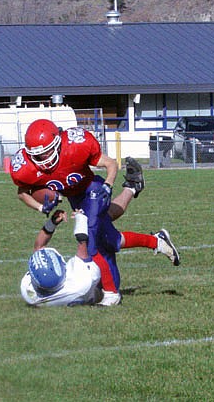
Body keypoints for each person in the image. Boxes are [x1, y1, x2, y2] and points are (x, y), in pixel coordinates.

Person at [10, 119, 145, 298]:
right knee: (108, 225)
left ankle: (111, 293)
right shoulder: (25, 166)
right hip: (73, 195)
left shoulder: (75, 144)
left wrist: (107, 185)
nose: (42, 159)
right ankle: (133, 188)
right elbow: (22, 192)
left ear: (57, 143)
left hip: (91, 186)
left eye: (46, 152)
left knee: (92, 235)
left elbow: (111, 163)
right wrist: (41, 207)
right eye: (37, 155)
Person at [20, 208, 180, 307]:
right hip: (92, 285)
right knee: (102, 241)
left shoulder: (30, 291)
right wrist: (82, 219)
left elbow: (38, 247)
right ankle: (112, 294)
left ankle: (155, 240)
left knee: (106, 227)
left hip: (78, 287)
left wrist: (52, 223)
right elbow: (83, 243)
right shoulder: (79, 281)